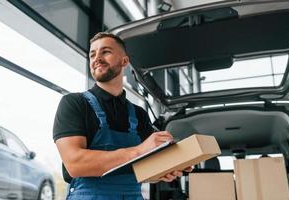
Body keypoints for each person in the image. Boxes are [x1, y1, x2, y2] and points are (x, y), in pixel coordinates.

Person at [53, 32, 191, 200]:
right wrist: (139, 150)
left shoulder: (139, 115)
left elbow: (142, 168)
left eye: (105, 52)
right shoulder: (74, 103)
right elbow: (75, 163)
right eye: (92, 54)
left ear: (124, 61)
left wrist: (162, 171)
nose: (97, 58)